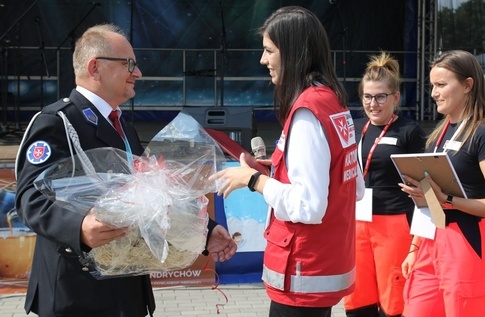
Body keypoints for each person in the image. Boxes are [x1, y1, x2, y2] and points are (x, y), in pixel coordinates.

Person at [15, 23, 236, 317]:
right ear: (95, 68)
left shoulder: (124, 127)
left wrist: (205, 232)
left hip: (126, 290)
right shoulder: (56, 122)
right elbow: (30, 198)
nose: (138, 73)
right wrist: (79, 227)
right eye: (129, 63)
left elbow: (150, 198)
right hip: (75, 294)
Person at [209, 6, 362, 317]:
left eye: (269, 50)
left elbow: (309, 205)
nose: (263, 60)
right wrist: (270, 170)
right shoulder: (331, 101)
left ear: (293, 52)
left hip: (303, 275)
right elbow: (351, 185)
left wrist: (254, 180)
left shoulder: (308, 112)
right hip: (319, 271)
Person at [399, 50, 485, 317]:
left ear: (468, 85)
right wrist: (415, 247)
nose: (434, 93)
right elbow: (430, 202)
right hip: (431, 240)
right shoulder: (438, 135)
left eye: (441, 85)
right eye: (432, 86)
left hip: (467, 243)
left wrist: (447, 200)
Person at [343, 52, 426, 317]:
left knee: (393, 302)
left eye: (380, 96)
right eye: (367, 96)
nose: (373, 103)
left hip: (393, 224)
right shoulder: (353, 128)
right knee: (356, 299)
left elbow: (424, 186)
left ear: (396, 98)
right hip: (355, 223)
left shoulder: (409, 131)